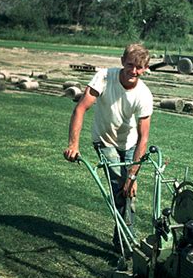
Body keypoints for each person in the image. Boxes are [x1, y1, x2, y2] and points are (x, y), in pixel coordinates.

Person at [63, 43, 153, 255]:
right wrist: (73, 144)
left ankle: (123, 242)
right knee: (120, 189)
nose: (133, 71)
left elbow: (143, 139)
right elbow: (80, 109)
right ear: (122, 62)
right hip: (105, 141)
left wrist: (133, 175)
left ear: (145, 68)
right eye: (130, 65)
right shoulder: (104, 77)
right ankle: (127, 246)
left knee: (129, 191)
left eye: (139, 67)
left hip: (130, 144)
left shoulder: (144, 95)